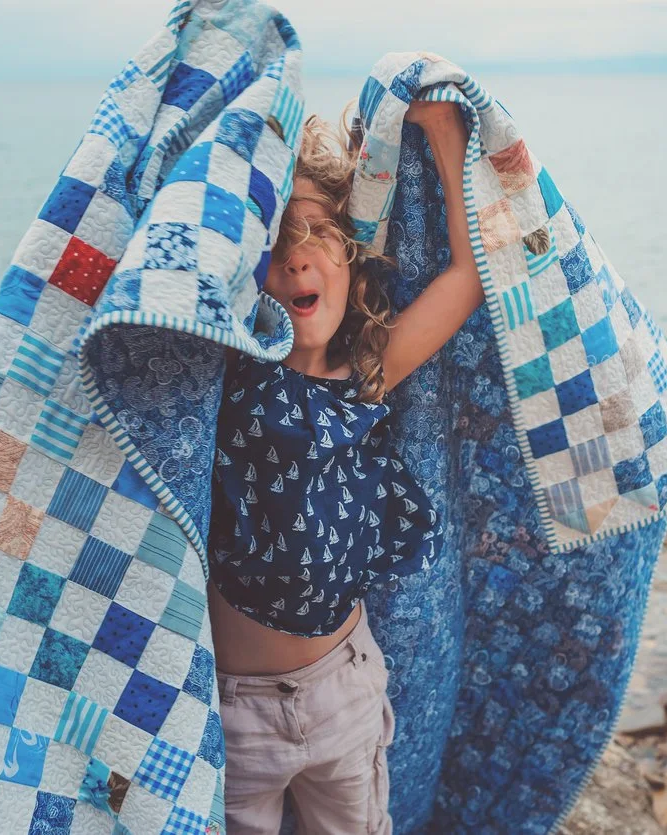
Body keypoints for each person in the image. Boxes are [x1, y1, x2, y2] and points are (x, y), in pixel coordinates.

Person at [205, 98, 483, 835]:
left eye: (319, 234)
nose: (297, 255)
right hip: (232, 711)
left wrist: (446, 138)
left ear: (351, 260)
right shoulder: (224, 380)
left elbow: (465, 278)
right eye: (274, 243)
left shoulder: (366, 372)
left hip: (346, 687)